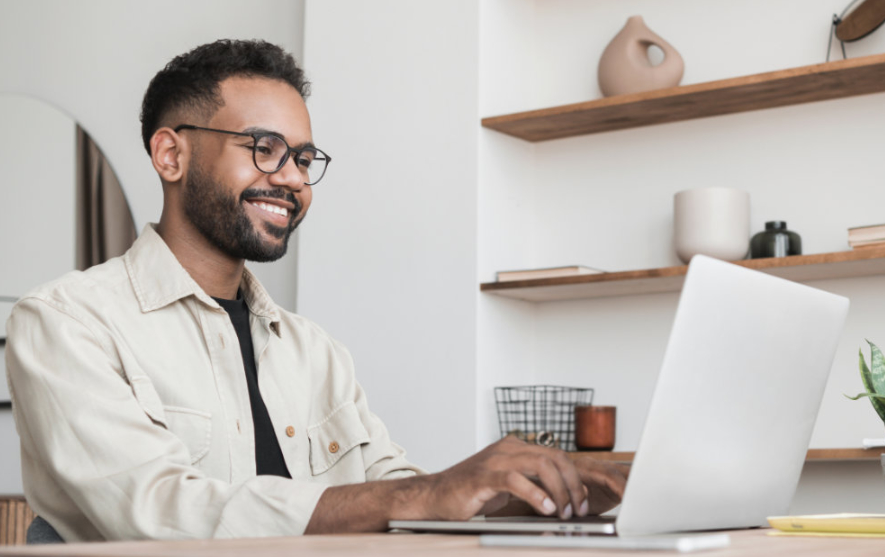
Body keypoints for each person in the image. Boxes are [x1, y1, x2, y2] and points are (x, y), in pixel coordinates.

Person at [4, 39, 627, 542]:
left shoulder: (314, 351)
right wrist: (421, 494)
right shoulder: (66, 323)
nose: (292, 180)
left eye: (303, 158)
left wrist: (542, 492)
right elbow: (157, 510)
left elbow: (402, 495)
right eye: (264, 149)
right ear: (171, 155)